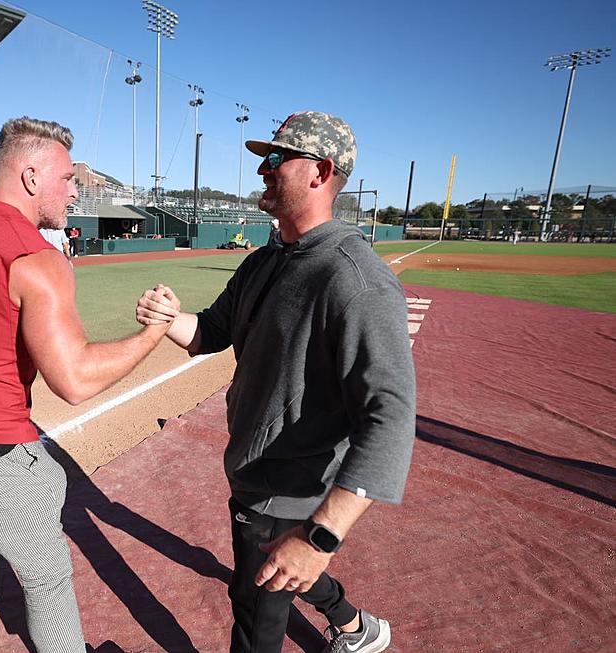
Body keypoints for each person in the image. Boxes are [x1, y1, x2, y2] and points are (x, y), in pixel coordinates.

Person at [0, 117, 178, 653]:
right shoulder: (38, 258)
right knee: (47, 580)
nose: (76, 189)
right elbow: (74, 380)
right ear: (30, 176)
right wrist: (153, 334)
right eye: (68, 178)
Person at [138, 111, 415, 653]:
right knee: (275, 572)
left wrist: (320, 536)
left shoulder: (355, 279)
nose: (263, 170)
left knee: (256, 609)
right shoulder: (264, 261)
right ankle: (355, 626)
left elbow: (392, 415)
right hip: (252, 469)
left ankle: (348, 621)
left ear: (320, 172)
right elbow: (211, 333)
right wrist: (172, 319)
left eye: (277, 159)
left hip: (291, 487)